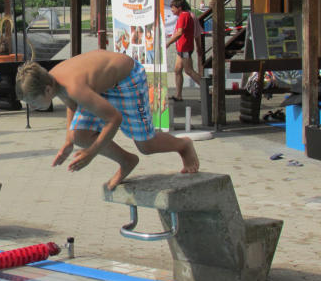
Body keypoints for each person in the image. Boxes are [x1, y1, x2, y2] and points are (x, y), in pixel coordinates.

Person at [15, 50, 199, 190]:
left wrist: (92, 153)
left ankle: (183, 145)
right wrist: (68, 141)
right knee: (79, 135)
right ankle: (126, 161)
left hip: (128, 80)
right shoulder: (53, 80)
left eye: (32, 102)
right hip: (102, 86)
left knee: (146, 146)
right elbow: (73, 106)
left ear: (47, 90)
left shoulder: (73, 87)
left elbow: (114, 119)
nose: (32, 107)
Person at [166, 0, 202, 101]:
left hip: (185, 47)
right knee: (177, 70)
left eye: (173, 8)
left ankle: (207, 88)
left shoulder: (183, 16)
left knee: (189, 70)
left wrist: (168, 43)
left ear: (179, 8)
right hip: (181, 48)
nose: (172, 10)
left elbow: (179, 33)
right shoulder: (185, 15)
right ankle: (178, 95)